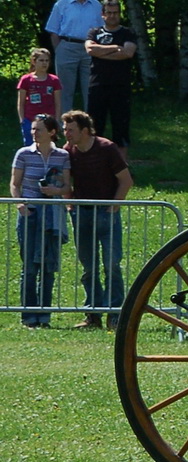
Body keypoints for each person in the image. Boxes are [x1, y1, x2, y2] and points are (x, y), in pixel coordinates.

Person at [61, 110, 131, 330]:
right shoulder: (68, 151)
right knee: (88, 266)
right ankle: (93, 314)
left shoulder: (106, 148)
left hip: (106, 214)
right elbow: (65, 182)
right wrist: (70, 203)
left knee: (112, 264)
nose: (67, 133)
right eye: (65, 129)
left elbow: (126, 180)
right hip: (81, 214)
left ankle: (115, 314)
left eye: (71, 129)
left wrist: (114, 206)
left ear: (84, 130)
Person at [11, 114, 70, 328]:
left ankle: (44, 315)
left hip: (52, 215)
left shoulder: (62, 155)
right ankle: (28, 316)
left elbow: (66, 187)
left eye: (39, 129)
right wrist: (21, 205)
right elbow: (15, 184)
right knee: (29, 266)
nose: (34, 133)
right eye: (33, 129)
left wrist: (56, 190)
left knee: (48, 265)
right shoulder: (23, 154)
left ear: (52, 132)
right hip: (30, 213)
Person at [84, 0, 137, 161]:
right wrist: (115, 48)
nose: (113, 16)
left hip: (120, 86)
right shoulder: (94, 32)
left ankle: (122, 165)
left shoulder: (127, 33)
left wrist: (103, 53)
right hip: (97, 85)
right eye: (109, 13)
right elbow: (90, 50)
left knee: (120, 126)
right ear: (103, 14)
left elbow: (128, 53)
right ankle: (95, 161)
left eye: (116, 13)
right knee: (95, 125)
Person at [45, 0, 101, 110]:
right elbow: (53, 30)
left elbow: (102, 29)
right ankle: (64, 125)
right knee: (64, 89)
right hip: (67, 47)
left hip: (90, 49)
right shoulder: (62, 5)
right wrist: (59, 50)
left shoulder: (96, 5)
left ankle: (89, 125)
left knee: (90, 88)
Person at [16, 48, 61, 146]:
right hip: (30, 119)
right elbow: (21, 102)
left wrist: (56, 120)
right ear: (34, 61)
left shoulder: (54, 80)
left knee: (48, 146)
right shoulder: (26, 79)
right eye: (41, 60)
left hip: (48, 119)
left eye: (46, 60)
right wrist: (22, 120)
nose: (44, 63)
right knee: (30, 146)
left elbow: (57, 102)